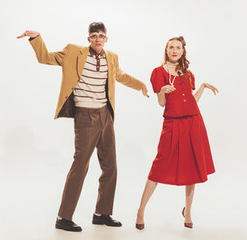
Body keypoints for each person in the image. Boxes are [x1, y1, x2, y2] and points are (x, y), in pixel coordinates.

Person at [17, 22, 149, 232]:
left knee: (110, 166)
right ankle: (63, 218)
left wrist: (140, 84)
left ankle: (102, 213)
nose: (98, 39)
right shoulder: (73, 52)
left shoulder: (111, 57)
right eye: (94, 35)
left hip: (106, 115)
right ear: (88, 39)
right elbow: (46, 58)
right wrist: (36, 38)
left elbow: (120, 75)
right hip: (85, 116)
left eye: (101, 36)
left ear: (106, 39)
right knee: (80, 165)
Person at [134, 36, 217, 230]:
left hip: (193, 122)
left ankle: (187, 212)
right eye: (171, 47)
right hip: (172, 123)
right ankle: (140, 211)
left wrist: (202, 87)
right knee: (158, 165)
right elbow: (161, 103)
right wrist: (163, 90)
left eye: (178, 47)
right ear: (166, 50)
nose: (174, 50)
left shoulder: (188, 73)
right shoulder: (158, 72)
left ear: (182, 51)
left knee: (192, 166)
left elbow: (191, 100)